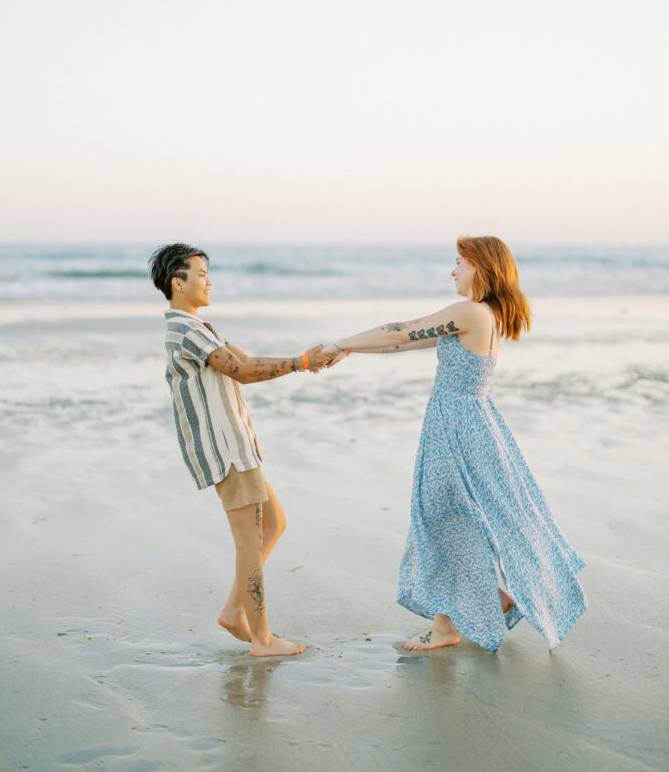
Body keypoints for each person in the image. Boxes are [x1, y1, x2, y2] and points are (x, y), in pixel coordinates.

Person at [325, 235, 587, 652]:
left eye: (459, 263)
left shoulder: (470, 312)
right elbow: (401, 341)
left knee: (442, 516)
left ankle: (448, 626)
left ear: (481, 267)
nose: (453, 270)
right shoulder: (485, 315)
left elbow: (402, 329)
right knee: (454, 515)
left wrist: (339, 342)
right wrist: (351, 350)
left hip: (458, 427)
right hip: (473, 422)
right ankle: (495, 598)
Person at [149, 243, 331, 657]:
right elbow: (243, 372)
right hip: (226, 450)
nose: (208, 280)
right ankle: (262, 640)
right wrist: (301, 362)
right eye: (199, 274)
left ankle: (234, 611)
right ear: (178, 283)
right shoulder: (186, 331)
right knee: (250, 541)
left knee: (273, 523)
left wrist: (303, 359)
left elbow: (246, 360)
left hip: (238, 447)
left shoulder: (201, 327)